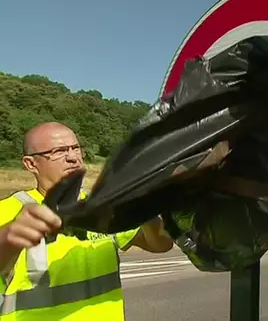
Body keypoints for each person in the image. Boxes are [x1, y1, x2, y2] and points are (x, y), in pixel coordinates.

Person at [0, 122, 174, 320]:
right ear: (31, 164)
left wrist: (143, 211)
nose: (73, 157)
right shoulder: (8, 210)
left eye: (76, 148)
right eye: (58, 151)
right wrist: (10, 236)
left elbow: (161, 245)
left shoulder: (101, 207)